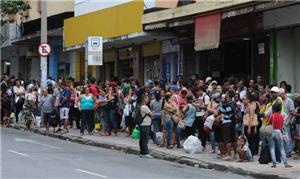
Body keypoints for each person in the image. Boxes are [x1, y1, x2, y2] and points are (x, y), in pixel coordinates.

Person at [267, 103, 292, 168]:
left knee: (272, 148)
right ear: (280, 109)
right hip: (278, 132)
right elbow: (282, 125)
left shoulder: (271, 116)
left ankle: (274, 163)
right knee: (281, 148)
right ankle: (286, 164)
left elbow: (268, 123)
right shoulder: (281, 116)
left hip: (271, 131)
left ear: (273, 109)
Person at [219, 90, 236, 161]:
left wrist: (221, 103)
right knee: (232, 138)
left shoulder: (229, 103)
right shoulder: (232, 103)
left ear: (228, 94)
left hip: (227, 122)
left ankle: (229, 155)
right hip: (232, 122)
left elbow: (222, 110)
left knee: (227, 139)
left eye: (226, 93)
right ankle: (235, 154)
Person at [139, 92, 152, 158]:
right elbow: (151, 114)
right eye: (147, 98)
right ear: (144, 99)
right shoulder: (145, 107)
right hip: (145, 124)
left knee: (142, 139)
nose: (148, 99)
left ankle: (142, 152)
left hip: (142, 124)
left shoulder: (141, 106)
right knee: (145, 139)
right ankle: (145, 153)